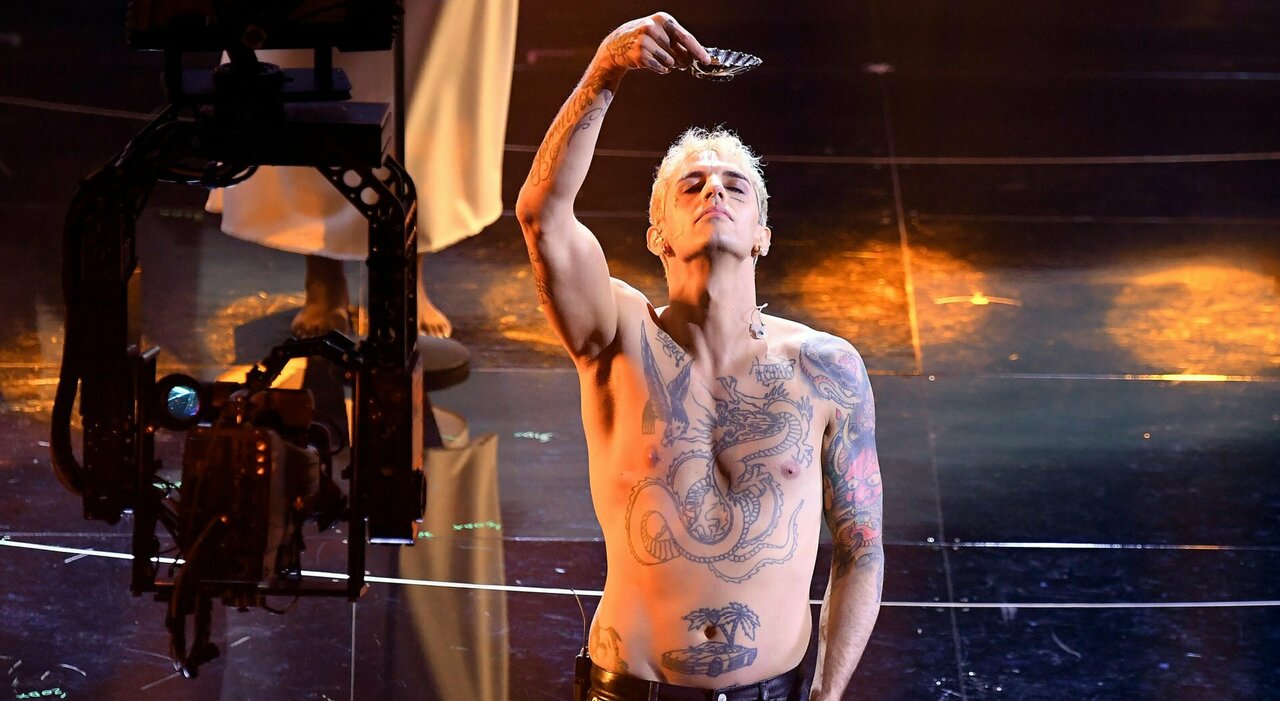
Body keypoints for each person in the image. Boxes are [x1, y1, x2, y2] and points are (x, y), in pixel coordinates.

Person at [515, 12, 883, 701]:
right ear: (657, 234)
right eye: (692, 185)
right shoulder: (616, 334)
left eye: (735, 186)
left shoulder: (826, 368)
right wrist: (605, 70)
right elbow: (543, 216)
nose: (714, 189)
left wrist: (828, 695)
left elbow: (860, 548)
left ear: (762, 235)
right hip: (628, 688)